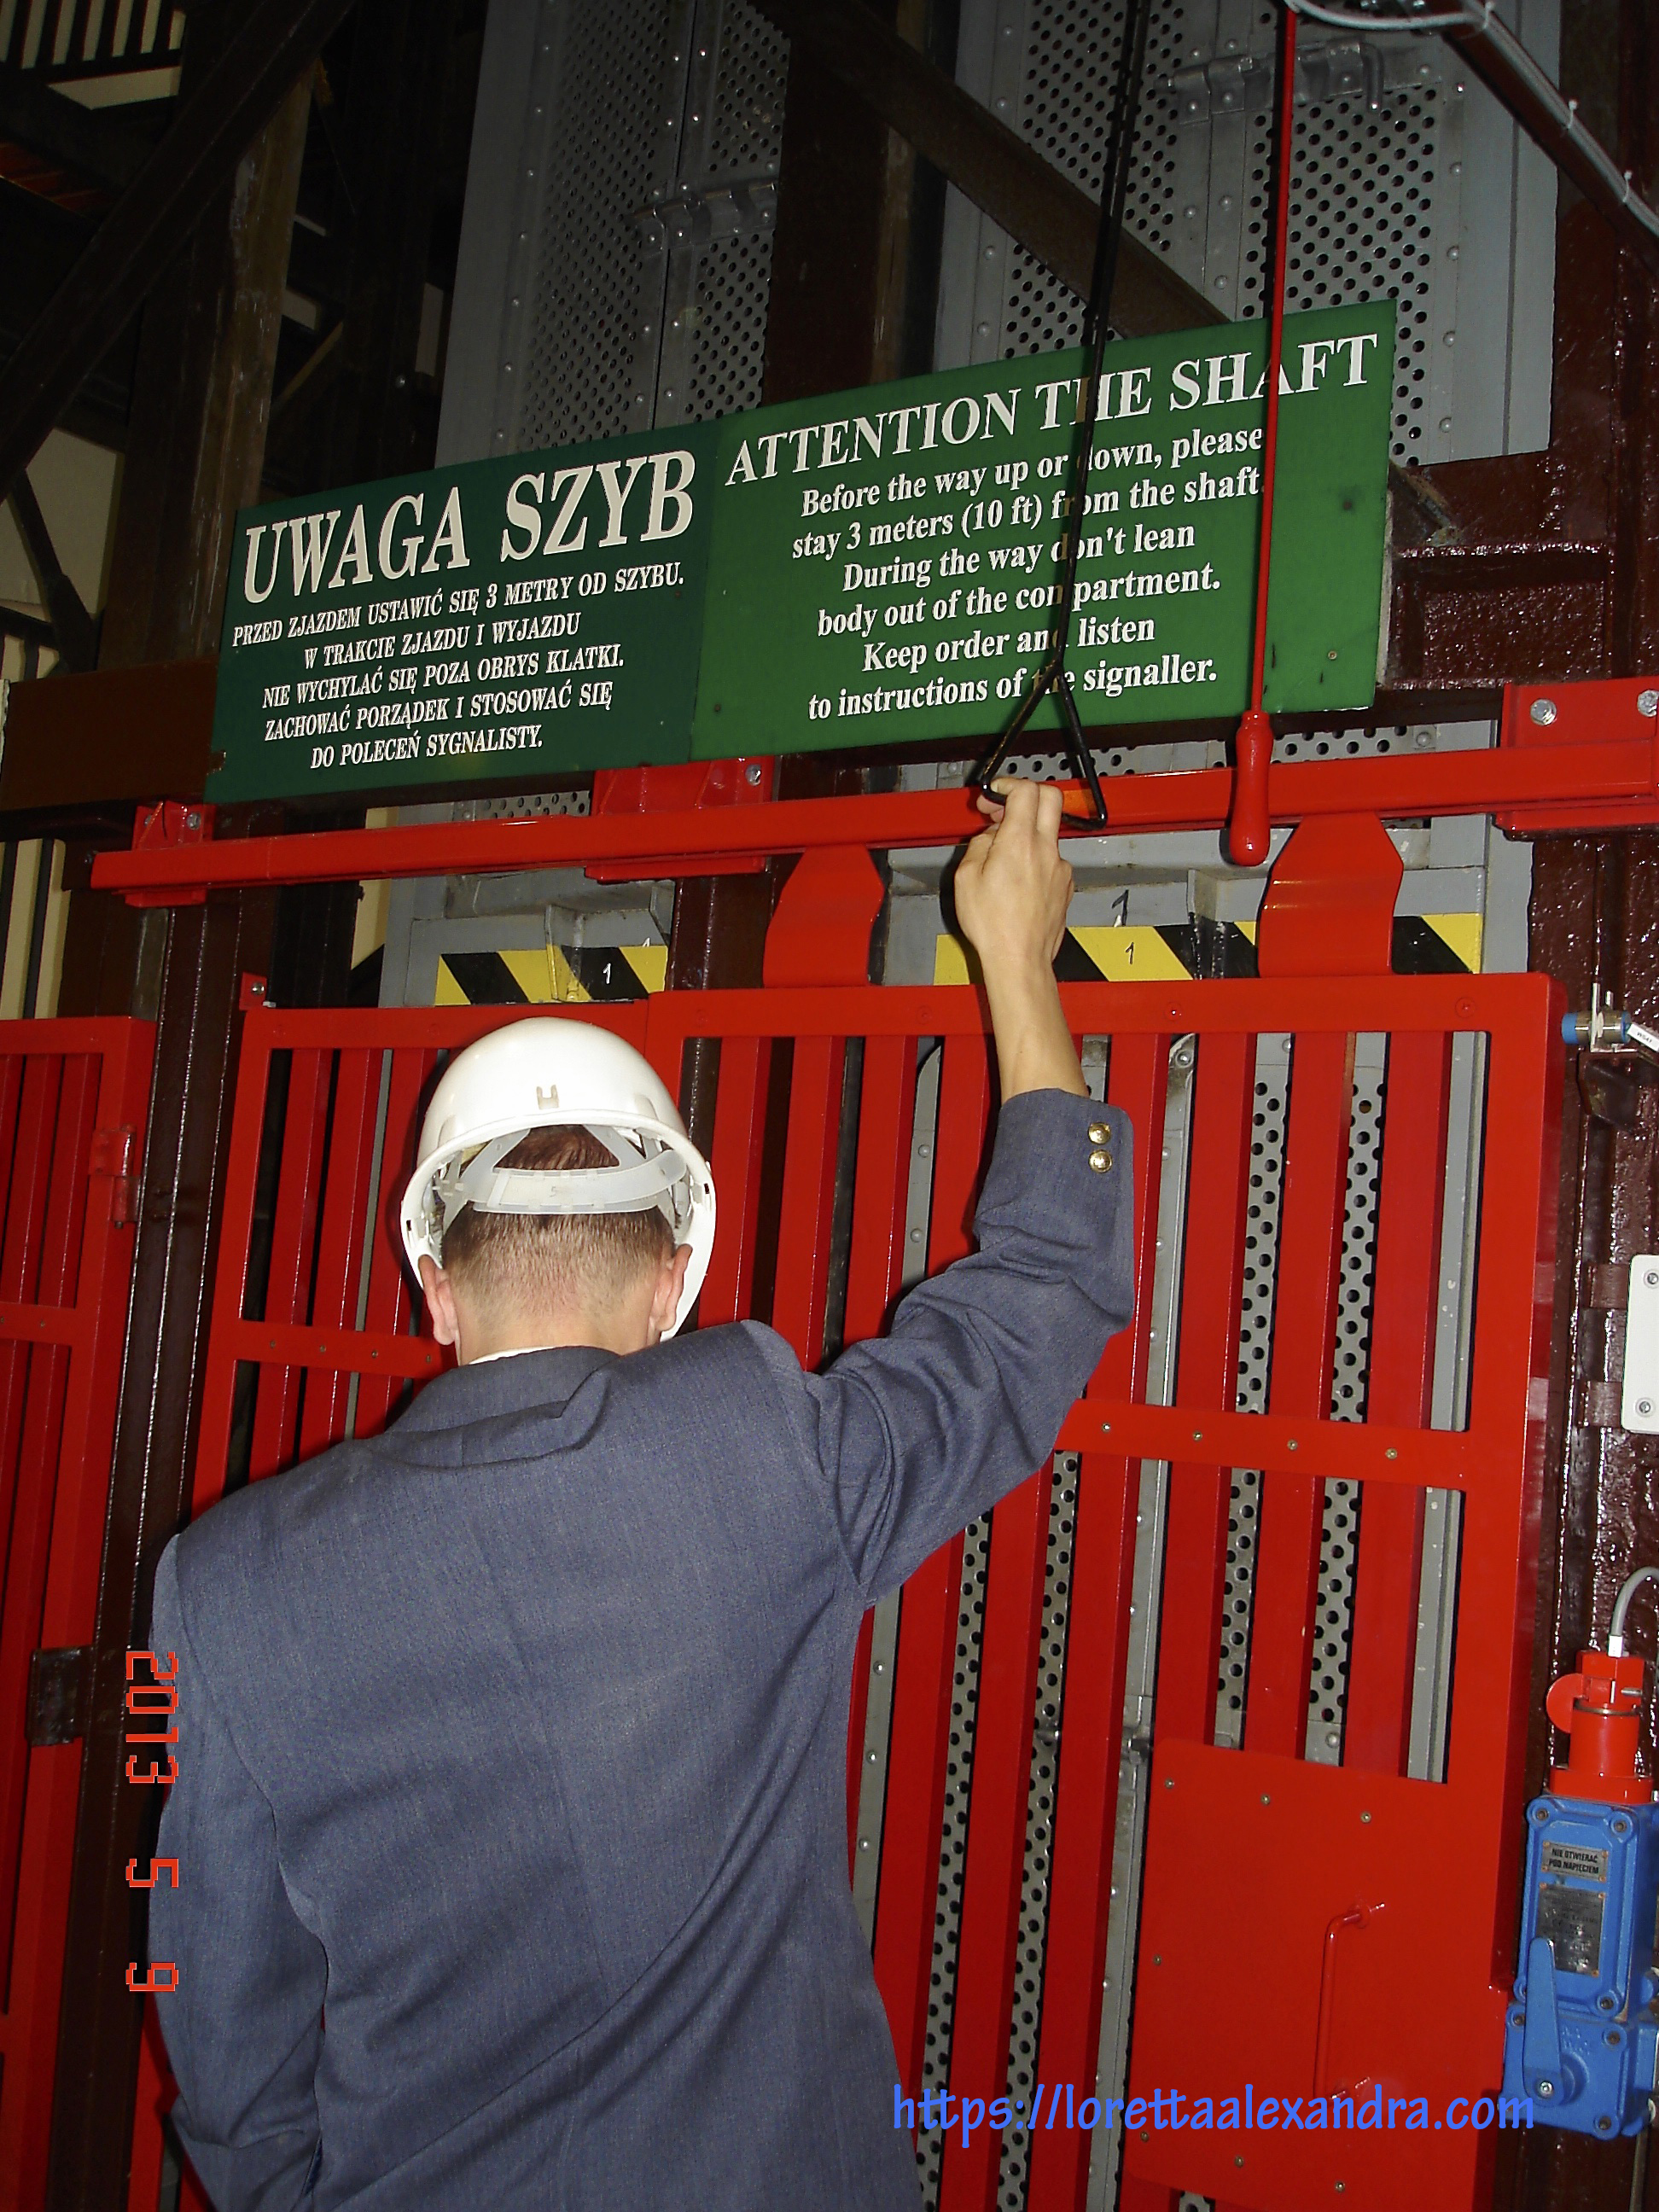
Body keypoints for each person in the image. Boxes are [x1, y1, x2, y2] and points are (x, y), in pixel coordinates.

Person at [148, 777, 1134, 2210]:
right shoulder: (762, 1451)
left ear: (430, 1271)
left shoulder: (224, 1582)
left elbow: (220, 2033)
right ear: (677, 1274)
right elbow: (1039, 1296)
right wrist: (1016, 956)